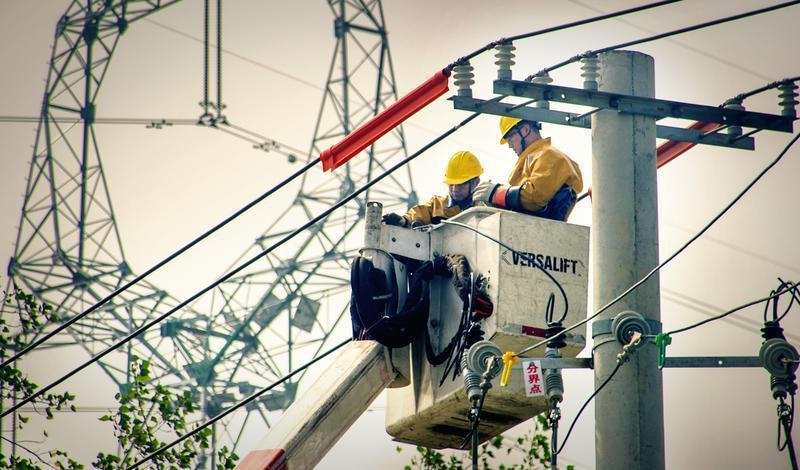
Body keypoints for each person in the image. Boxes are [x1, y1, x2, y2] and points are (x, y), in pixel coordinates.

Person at [472, 117, 583, 221]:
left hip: (541, 230)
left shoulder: (549, 155)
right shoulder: (532, 159)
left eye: (511, 137)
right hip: (530, 228)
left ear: (525, 130)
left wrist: (496, 193)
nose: (510, 145)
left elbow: (534, 198)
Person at [383, 150, 483, 227]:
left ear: (475, 183)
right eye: (451, 184)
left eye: (461, 185)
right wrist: (403, 220)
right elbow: (418, 213)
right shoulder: (437, 205)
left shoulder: (484, 208)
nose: (455, 189)